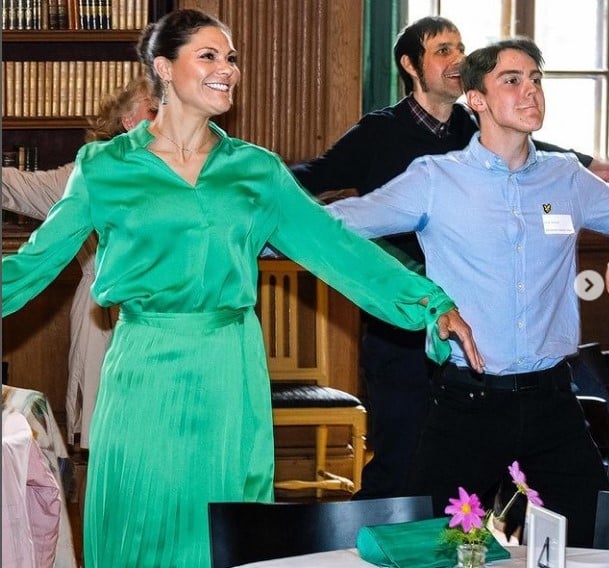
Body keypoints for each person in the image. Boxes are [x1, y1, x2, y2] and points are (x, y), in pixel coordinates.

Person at [2, 10, 485, 567]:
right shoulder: (104, 168)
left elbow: (337, 247)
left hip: (228, 367)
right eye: (208, 56)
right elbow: (33, 264)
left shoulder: (256, 171)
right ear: (164, 68)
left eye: (231, 58)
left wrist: (427, 302)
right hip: (142, 368)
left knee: (225, 522)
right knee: (140, 514)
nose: (228, 69)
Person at [291, 16, 609, 501]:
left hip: (553, 398)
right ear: (476, 99)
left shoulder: (564, 178)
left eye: (536, 80)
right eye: (512, 80)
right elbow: (337, 225)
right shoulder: (435, 178)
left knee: (586, 530)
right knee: (435, 528)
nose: (531, 91)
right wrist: (246, 227)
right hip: (468, 399)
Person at [2, 75, 158, 450]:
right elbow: (12, 187)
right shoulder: (88, 174)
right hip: (103, 317)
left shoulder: (189, 173)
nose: (168, 116)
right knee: (104, 437)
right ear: (128, 122)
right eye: (154, 109)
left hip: (166, 321)